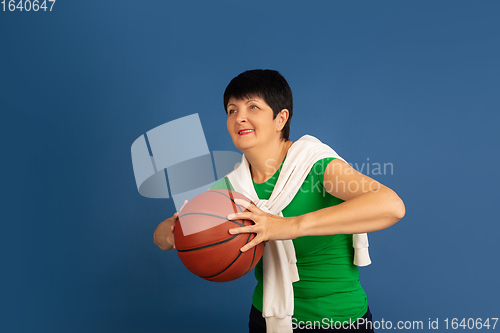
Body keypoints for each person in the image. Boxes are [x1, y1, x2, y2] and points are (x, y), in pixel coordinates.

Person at [154, 69, 405, 332]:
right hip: (268, 319)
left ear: (280, 118)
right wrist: (178, 229)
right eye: (232, 110)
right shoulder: (232, 188)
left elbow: (391, 205)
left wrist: (287, 226)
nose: (240, 118)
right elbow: (161, 239)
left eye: (253, 107)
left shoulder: (316, 167)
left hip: (339, 319)